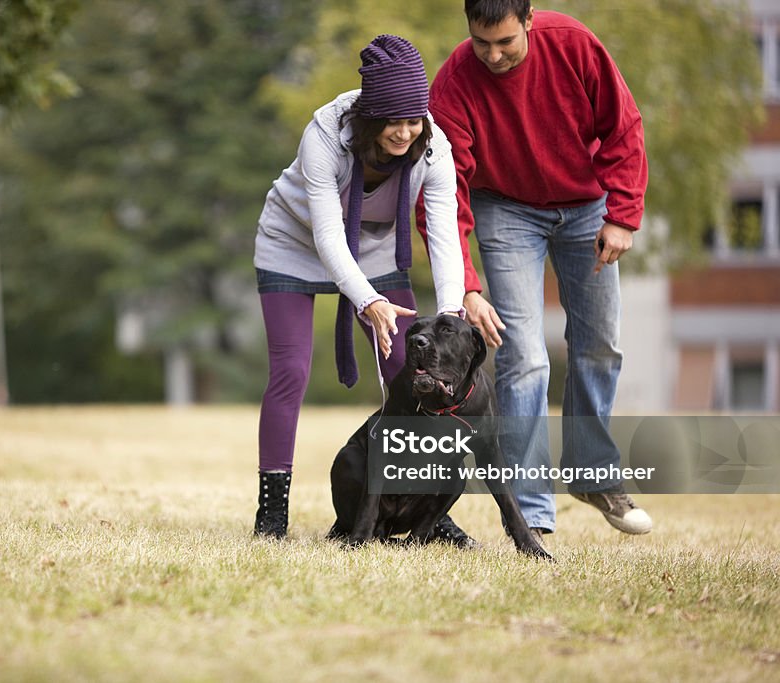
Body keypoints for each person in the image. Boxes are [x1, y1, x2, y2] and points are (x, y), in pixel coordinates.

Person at [417, 0, 653, 541]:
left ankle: (593, 475)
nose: (494, 56)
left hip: (587, 204)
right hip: (504, 207)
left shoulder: (573, 44)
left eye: (506, 42)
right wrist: (467, 287)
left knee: (598, 343)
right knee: (522, 356)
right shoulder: (455, 80)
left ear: (528, 21)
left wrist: (622, 215)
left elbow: (624, 128)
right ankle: (532, 515)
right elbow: (442, 192)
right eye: (482, 44)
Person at [252, 34, 468, 539]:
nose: (404, 132)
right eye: (393, 121)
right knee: (290, 371)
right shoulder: (325, 135)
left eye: (413, 120)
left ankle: (427, 511)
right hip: (293, 241)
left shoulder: (434, 150)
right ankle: (272, 510)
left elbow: (442, 234)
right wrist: (366, 300)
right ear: (371, 117)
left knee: (411, 369)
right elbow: (328, 234)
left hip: (373, 248)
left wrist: (452, 312)